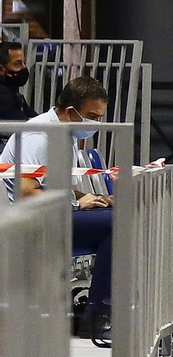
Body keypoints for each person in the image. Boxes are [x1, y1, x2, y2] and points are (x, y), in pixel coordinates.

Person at [1, 76, 115, 334]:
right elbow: (27, 193)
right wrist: (76, 201)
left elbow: (55, 184)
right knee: (117, 224)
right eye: (92, 116)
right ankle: (98, 315)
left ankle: (104, 305)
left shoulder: (66, 132)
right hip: (31, 221)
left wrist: (94, 197)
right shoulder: (38, 135)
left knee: (123, 214)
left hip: (54, 213)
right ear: (72, 111)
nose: (96, 124)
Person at [0, 41, 33, 122]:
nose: (24, 67)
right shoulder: (4, 96)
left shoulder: (13, 91)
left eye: (23, 63)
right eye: (18, 64)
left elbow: (33, 116)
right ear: (1, 69)